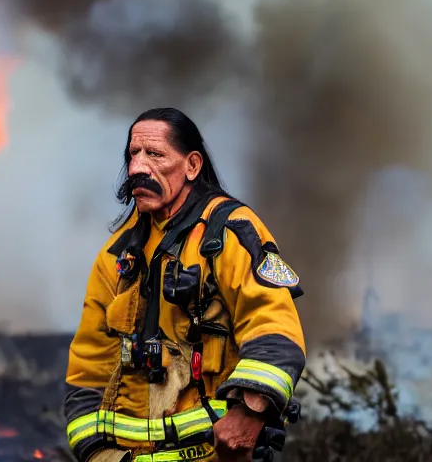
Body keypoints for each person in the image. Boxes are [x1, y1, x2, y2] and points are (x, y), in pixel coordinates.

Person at [64, 108, 306, 462]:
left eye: (155, 154)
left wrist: (249, 412)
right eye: (133, 154)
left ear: (192, 166)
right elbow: (89, 369)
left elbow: (275, 330)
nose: (137, 168)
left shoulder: (228, 233)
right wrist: (98, 454)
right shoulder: (118, 255)